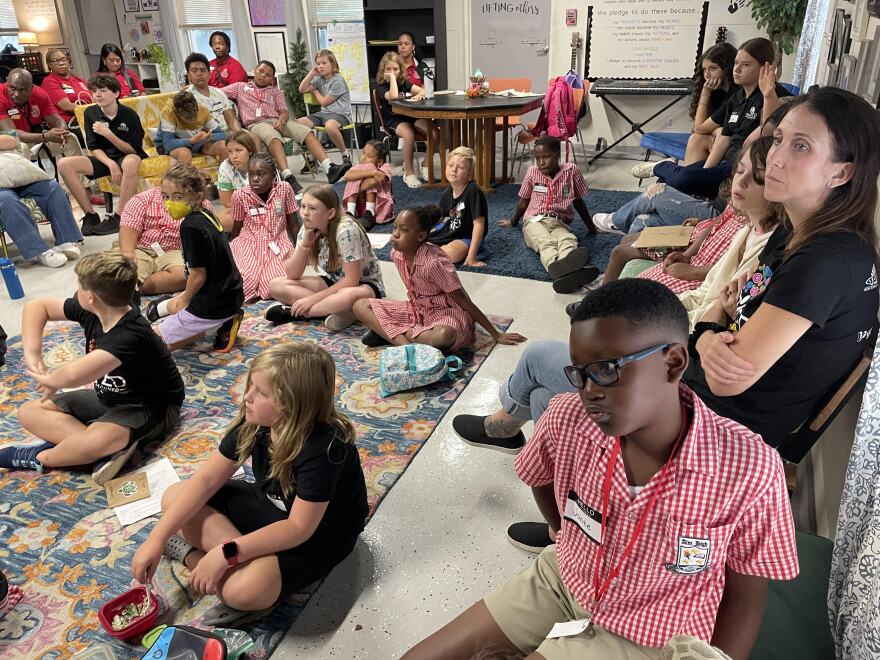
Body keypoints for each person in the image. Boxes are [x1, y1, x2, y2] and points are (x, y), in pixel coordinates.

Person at [407, 279, 799, 660]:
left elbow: (745, 599)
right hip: (565, 580)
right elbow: (541, 478)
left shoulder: (748, 467)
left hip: (651, 629)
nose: (589, 390)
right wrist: (564, 534)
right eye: (579, 372)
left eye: (608, 369)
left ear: (673, 362)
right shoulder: (567, 418)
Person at [684, 86, 880, 448]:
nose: (774, 158)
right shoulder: (793, 231)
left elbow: (725, 380)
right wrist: (710, 333)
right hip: (704, 398)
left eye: (801, 146)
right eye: (778, 139)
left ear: (841, 173)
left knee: (546, 376)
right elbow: (736, 296)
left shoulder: (825, 263)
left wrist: (707, 334)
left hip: (723, 432)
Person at [130, 342, 369, 627]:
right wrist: (156, 539)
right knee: (174, 496)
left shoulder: (325, 448)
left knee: (243, 590)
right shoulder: (256, 422)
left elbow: (297, 528)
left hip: (320, 534)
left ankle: (195, 558)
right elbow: (206, 479)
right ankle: (232, 566)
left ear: (291, 404)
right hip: (274, 506)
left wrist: (225, 553)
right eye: (250, 386)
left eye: (260, 392)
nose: (247, 397)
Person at [4, 251, 184, 485]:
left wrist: (51, 380)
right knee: (28, 411)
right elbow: (37, 307)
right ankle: (99, 453)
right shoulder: (97, 310)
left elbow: (76, 374)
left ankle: (40, 455)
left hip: (151, 406)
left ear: (90, 297)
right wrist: (33, 353)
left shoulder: (131, 333)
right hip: (109, 397)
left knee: (99, 439)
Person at [601, 141, 772, 290]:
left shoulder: (760, 232)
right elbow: (718, 223)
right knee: (631, 234)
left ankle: (616, 220)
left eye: (758, 177)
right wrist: (688, 254)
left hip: (701, 261)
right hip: (699, 238)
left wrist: (692, 265)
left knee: (657, 194)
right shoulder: (737, 204)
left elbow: (737, 271)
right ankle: (604, 289)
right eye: (740, 172)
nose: (741, 181)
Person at [353, 206, 527, 351]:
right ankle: (407, 347)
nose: (395, 234)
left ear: (421, 236)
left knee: (442, 336)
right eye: (395, 228)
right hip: (418, 311)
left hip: (446, 314)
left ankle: (389, 333)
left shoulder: (434, 263)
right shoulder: (396, 254)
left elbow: (464, 301)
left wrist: (495, 334)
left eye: (404, 230)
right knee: (360, 305)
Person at [633, 38, 790, 199]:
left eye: (746, 65)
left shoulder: (775, 94)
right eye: (736, 63)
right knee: (668, 182)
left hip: (741, 167)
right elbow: (724, 139)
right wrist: (704, 173)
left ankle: (663, 167)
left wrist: (768, 95)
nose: (737, 69)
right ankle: (627, 219)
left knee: (682, 179)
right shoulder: (737, 98)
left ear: (765, 68)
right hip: (725, 162)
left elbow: (768, 132)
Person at [146, 164, 244, 352]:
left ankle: (219, 323)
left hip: (215, 303)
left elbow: (198, 276)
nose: (169, 203)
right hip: (232, 294)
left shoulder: (190, 227)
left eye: (178, 197)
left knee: (152, 346)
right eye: (165, 196)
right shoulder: (206, 215)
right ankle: (222, 320)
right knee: (177, 312)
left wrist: (186, 299)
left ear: (197, 196)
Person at [266, 184, 385, 331]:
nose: (304, 213)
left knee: (346, 295)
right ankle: (342, 312)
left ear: (330, 213)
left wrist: (311, 300)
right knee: (276, 285)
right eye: (303, 206)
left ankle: (297, 313)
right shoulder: (307, 228)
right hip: (334, 281)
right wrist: (304, 246)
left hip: (363, 285)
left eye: (312, 208)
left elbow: (351, 281)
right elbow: (292, 274)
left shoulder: (347, 230)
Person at [223, 61, 351, 194]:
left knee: (306, 132)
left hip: (277, 120)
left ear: (272, 79)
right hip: (257, 123)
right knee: (274, 137)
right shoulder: (239, 87)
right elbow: (215, 92)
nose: (263, 76)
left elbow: (284, 111)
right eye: (261, 72)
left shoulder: (275, 92)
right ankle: (288, 176)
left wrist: (282, 121)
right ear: (254, 70)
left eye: (268, 75)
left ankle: (329, 168)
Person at [498, 136, 597, 291]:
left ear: (557, 155)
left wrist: (591, 227)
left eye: (546, 157)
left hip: (560, 221)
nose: (541, 162)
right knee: (545, 242)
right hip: (534, 220)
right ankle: (557, 266)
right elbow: (523, 201)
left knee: (568, 239)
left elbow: (578, 201)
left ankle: (568, 264)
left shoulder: (571, 171)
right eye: (537, 158)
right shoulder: (532, 172)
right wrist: (513, 221)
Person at [58, 75, 147, 236]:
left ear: (116, 93)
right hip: (105, 158)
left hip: (126, 155)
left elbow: (132, 150)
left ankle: (120, 217)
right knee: (64, 164)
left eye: (103, 91)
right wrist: (110, 164)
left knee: (130, 162)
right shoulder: (90, 112)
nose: (97, 94)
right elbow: (93, 147)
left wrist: (108, 133)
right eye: (94, 91)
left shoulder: (129, 115)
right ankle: (90, 215)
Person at [118, 181, 217, 296]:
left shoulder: (202, 206)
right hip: (140, 247)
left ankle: (140, 287)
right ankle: (135, 284)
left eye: (178, 196)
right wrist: (128, 254)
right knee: (123, 272)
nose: (170, 200)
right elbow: (128, 229)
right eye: (165, 195)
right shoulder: (142, 199)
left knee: (187, 275)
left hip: (175, 250)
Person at [0, 131, 83, 267]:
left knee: (52, 188)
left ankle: (66, 240)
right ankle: (40, 251)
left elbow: (14, 141)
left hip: (18, 177)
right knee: (6, 200)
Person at [230, 154, 299, 302]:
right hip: (248, 243)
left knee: (272, 286)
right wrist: (231, 255)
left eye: (261, 174)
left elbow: (293, 225)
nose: (255, 179)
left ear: (273, 175)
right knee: (247, 282)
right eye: (252, 174)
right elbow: (237, 227)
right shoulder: (239, 195)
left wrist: (302, 253)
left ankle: (262, 283)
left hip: (277, 243)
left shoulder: (285, 189)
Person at [375, 52, 438, 189]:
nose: (392, 72)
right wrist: (392, 79)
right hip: (393, 120)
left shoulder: (404, 82)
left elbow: (423, 90)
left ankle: (426, 164)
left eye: (395, 69)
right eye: (388, 69)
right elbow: (392, 96)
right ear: (383, 71)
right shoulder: (381, 86)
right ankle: (409, 172)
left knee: (434, 133)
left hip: (410, 116)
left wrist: (420, 94)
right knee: (408, 135)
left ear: (401, 70)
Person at [0, 68, 85, 164]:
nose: (16, 94)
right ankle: (30, 178)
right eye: (12, 88)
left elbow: (56, 120)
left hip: (36, 137)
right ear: (7, 82)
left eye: (22, 90)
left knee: (70, 138)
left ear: (31, 88)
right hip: (8, 141)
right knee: (21, 146)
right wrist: (45, 137)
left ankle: (79, 176)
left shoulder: (39, 94)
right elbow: (11, 133)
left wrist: (61, 132)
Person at [428, 147, 488, 267]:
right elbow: (441, 220)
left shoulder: (473, 191)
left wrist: (472, 257)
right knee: (418, 243)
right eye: (450, 165)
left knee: (450, 254)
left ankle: (448, 251)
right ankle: (438, 250)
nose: (454, 170)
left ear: (469, 174)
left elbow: (479, 224)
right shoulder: (446, 193)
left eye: (460, 167)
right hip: (451, 234)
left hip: (467, 237)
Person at [682, 43, 738, 165]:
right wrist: (705, 92)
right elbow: (697, 129)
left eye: (713, 68)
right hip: (721, 140)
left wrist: (705, 92)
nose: (707, 75)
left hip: (736, 142)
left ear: (727, 68)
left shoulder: (736, 93)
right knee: (696, 139)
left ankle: (668, 169)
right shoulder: (716, 91)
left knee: (696, 139)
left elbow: (700, 128)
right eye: (704, 69)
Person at [297, 49, 352, 165]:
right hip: (323, 114)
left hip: (340, 114)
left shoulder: (338, 80)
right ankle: (311, 156)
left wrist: (315, 91)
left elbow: (324, 102)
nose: (320, 66)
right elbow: (302, 89)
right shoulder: (319, 79)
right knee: (297, 124)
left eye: (324, 63)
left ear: (332, 64)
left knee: (330, 126)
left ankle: (345, 154)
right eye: (318, 64)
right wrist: (311, 73)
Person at [156, 90, 227, 164]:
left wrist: (209, 137)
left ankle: (224, 174)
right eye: (187, 118)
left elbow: (221, 134)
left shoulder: (202, 110)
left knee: (224, 146)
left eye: (195, 116)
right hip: (170, 145)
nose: (192, 121)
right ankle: (186, 175)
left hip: (198, 143)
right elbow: (168, 144)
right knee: (184, 154)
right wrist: (191, 140)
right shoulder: (168, 112)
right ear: (177, 113)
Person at [342, 139, 394, 230]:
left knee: (367, 168)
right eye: (363, 153)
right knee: (354, 176)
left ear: (379, 161)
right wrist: (372, 173)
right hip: (359, 207)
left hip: (378, 207)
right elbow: (347, 175)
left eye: (369, 156)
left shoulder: (385, 167)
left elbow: (373, 182)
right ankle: (350, 212)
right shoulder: (358, 167)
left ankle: (370, 211)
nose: (364, 158)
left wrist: (356, 185)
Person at [216, 129, 260, 230]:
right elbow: (227, 202)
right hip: (238, 209)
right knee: (215, 221)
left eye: (238, 150)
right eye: (230, 152)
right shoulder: (225, 166)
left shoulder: (261, 166)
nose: (233, 156)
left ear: (250, 151)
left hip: (263, 210)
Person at [183, 53, 237, 132]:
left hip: (228, 133)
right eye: (194, 71)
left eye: (202, 70)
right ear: (189, 76)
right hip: (207, 138)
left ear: (209, 74)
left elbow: (232, 120)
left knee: (253, 139)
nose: (199, 74)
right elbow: (195, 129)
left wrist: (240, 134)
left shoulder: (219, 93)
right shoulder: (187, 97)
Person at [40, 48, 94, 127]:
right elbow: (67, 106)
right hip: (70, 123)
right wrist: (94, 111)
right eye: (55, 60)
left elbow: (95, 98)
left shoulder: (79, 80)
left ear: (69, 61)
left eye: (63, 59)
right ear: (49, 65)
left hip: (89, 118)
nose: (61, 63)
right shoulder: (49, 81)